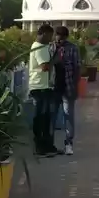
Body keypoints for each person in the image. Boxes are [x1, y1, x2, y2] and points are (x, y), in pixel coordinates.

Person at [50, 26, 81, 156]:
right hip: (53, 87)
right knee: (52, 116)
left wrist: (75, 86)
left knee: (68, 116)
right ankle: (49, 144)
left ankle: (68, 144)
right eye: (57, 35)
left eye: (62, 36)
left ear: (66, 37)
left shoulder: (72, 48)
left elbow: (77, 67)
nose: (59, 38)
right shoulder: (51, 48)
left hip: (67, 86)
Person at [28, 24, 58, 156]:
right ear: (44, 34)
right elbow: (45, 67)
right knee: (40, 118)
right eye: (50, 36)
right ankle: (39, 146)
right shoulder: (39, 47)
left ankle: (47, 145)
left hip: (46, 86)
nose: (51, 39)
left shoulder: (45, 47)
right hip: (39, 87)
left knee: (46, 118)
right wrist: (55, 59)